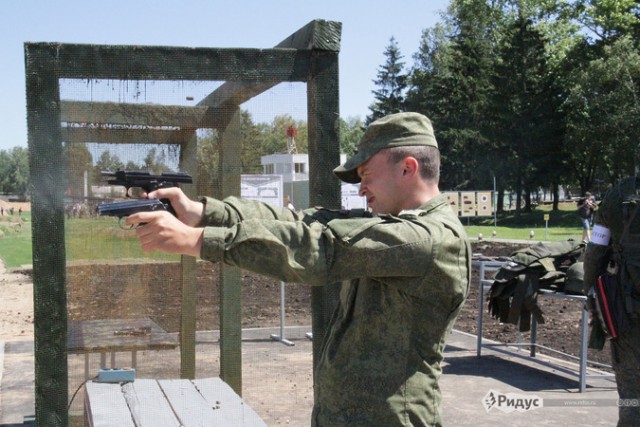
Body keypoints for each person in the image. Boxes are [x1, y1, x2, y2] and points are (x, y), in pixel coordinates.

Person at [125, 112, 471, 426]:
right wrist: (202, 213)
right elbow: (299, 221)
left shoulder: (431, 239)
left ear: (408, 168)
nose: (361, 188)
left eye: (366, 175)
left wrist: (198, 239)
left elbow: (318, 247)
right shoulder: (396, 226)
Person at [583, 176, 640, 426]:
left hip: (630, 314)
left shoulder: (617, 196)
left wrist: (590, 294)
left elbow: (595, 250)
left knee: (631, 394)